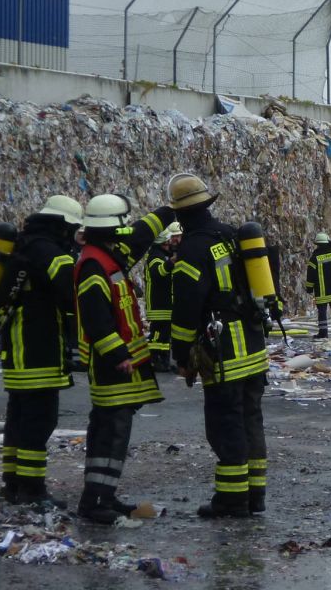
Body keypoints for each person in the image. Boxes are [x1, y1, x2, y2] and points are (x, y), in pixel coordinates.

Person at [168, 173, 276, 518]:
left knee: (224, 426)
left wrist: (182, 355)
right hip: (254, 347)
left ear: (180, 215)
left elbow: (185, 311)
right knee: (250, 419)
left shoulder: (191, 250)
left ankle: (231, 501)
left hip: (225, 353)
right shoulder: (233, 236)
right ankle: (255, 496)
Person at [74, 193, 174, 524]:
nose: (127, 234)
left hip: (115, 362)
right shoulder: (94, 266)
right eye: (122, 228)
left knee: (114, 427)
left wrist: (170, 210)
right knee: (110, 430)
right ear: (112, 230)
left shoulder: (106, 257)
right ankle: (95, 501)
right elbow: (95, 317)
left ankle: (104, 495)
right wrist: (118, 353)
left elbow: (142, 234)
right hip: (110, 366)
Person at [0, 195, 83, 507]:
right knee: (39, 421)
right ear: (64, 225)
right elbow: (72, 290)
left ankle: (12, 483)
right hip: (37, 349)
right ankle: (32, 489)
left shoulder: (26, 245)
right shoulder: (50, 252)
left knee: (19, 418)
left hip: (15, 347)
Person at [144, 221, 182, 372]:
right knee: (158, 334)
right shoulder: (155, 257)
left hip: (164, 305)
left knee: (164, 336)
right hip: (158, 305)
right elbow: (158, 273)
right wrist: (171, 263)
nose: (169, 244)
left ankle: (164, 360)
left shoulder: (161, 255)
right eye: (167, 242)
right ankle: (154, 359)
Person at [306, 232, 331, 340]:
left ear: (317, 244)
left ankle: (323, 334)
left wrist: (309, 288)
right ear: (327, 242)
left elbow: (310, 275)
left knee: (322, 314)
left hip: (321, 293)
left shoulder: (314, 258)